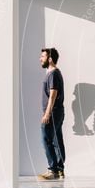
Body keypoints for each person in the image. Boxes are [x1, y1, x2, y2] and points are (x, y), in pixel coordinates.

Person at [38, 47, 66, 180]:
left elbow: (53, 95)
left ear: (50, 59)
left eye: (42, 56)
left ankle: (53, 170)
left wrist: (47, 114)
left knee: (46, 139)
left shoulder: (53, 74)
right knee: (56, 140)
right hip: (58, 112)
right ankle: (60, 170)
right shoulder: (54, 73)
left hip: (53, 112)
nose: (40, 59)